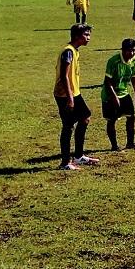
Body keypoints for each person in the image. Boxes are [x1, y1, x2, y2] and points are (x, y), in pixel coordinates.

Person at [53, 24, 98, 170]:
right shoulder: (68, 52)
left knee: (85, 117)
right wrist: (70, 98)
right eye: (86, 35)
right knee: (68, 126)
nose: (89, 38)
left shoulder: (74, 51)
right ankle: (65, 163)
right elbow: (64, 76)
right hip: (65, 94)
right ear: (77, 36)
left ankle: (78, 156)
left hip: (74, 92)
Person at [102, 38, 135, 152]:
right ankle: (114, 146)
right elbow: (107, 81)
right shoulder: (113, 61)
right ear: (123, 50)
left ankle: (130, 143)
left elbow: (133, 77)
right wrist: (114, 97)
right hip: (110, 94)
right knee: (112, 120)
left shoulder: (134, 60)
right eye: (129, 51)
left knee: (131, 117)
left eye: (134, 50)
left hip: (124, 93)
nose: (132, 53)